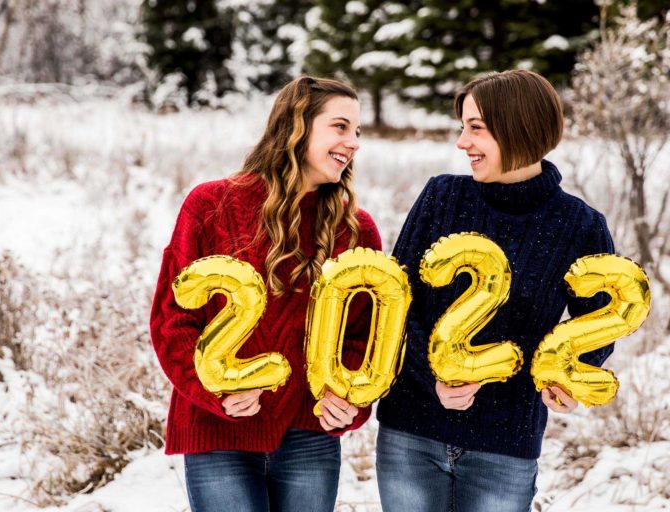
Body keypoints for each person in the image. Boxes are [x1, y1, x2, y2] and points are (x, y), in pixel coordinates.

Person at [375, 70, 615, 512]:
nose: (462, 142)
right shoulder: (441, 197)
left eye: (476, 128)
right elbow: (394, 305)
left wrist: (569, 377)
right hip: (411, 433)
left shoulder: (579, 226)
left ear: (518, 128)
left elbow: (599, 325)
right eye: (462, 127)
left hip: (504, 446)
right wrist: (432, 379)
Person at [150, 76, 381, 512]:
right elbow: (172, 321)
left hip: (310, 435)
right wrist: (215, 392)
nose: (353, 143)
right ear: (297, 127)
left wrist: (351, 400)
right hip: (219, 433)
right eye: (340, 126)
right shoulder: (210, 205)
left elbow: (365, 338)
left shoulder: (356, 230)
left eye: (357, 131)